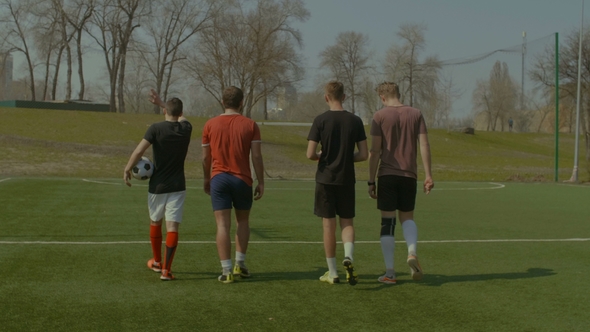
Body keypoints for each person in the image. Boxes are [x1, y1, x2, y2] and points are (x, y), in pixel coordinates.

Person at [368, 82, 434, 285]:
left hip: (387, 175)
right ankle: (412, 252)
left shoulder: (379, 116)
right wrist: (428, 175)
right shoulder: (416, 114)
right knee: (407, 218)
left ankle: (390, 272)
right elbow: (423, 144)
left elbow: (376, 151)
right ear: (399, 94)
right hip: (409, 175)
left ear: (382, 97)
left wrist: (371, 180)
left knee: (387, 222)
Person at [123, 89, 192, 281]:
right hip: (178, 186)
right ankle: (166, 271)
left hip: (158, 186)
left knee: (155, 222)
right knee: (172, 228)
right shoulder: (186, 129)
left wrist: (127, 168)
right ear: (180, 113)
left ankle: (156, 261)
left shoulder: (155, 128)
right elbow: (182, 117)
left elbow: (138, 151)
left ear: (165, 112)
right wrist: (164, 104)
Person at [306, 81, 368, 286]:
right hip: (346, 179)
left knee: (328, 225)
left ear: (326, 97)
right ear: (344, 96)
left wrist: (321, 156)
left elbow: (310, 154)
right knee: (347, 222)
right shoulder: (355, 121)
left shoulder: (320, 120)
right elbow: (364, 154)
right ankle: (348, 256)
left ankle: (332, 272)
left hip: (325, 179)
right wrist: (346, 157)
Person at [202, 86, 265, 284]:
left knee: (222, 224)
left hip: (219, 178)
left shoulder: (210, 124)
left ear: (223, 102)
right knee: (243, 222)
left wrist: (206, 178)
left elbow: (205, 157)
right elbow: (256, 155)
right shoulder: (250, 124)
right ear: (241, 102)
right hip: (242, 179)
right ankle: (240, 264)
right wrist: (261, 181)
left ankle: (226, 270)